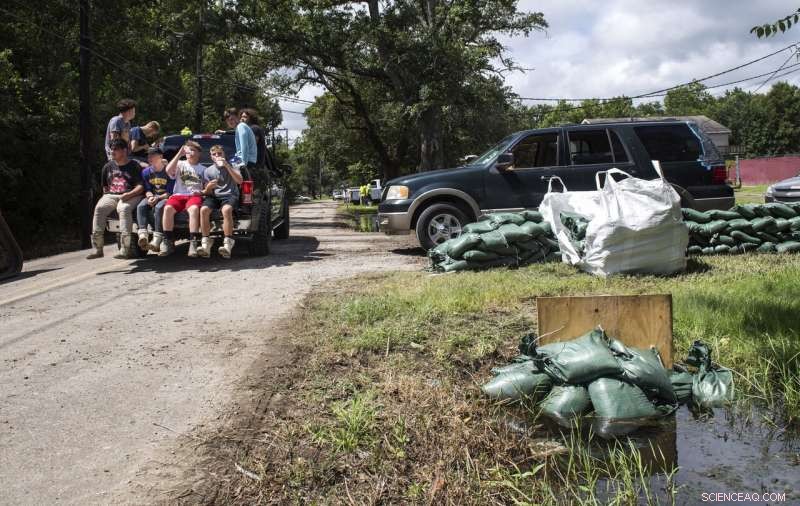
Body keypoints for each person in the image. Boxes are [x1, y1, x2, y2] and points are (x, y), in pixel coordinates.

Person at [87, 138, 143, 259]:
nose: (112, 152)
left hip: (131, 194)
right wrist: (107, 200)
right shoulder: (107, 167)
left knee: (123, 209)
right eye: (111, 149)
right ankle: (98, 249)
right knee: (99, 208)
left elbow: (140, 186)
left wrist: (129, 194)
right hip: (111, 195)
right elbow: (105, 188)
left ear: (124, 151)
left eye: (115, 150)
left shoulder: (134, 165)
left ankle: (125, 249)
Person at [160, 140, 206, 257]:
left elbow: (206, 187)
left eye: (193, 150)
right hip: (179, 195)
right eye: (188, 150)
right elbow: (168, 170)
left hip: (193, 196)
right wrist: (179, 154)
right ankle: (168, 241)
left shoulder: (203, 169)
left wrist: (200, 192)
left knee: (194, 209)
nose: (189, 152)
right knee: (168, 208)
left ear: (199, 153)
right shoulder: (180, 163)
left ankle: (193, 243)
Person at [198, 145, 243, 258]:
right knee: (203, 210)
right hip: (214, 196)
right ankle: (206, 242)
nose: (217, 156)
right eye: (214, 154)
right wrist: (208, 187)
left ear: (224, 154)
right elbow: (206, 192)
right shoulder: (208, 171)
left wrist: (227, 165)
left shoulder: (233, 165)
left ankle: (228, 243)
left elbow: (240, 181)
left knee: (226, 210)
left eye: (219, 153)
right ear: (211, 157)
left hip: (230, 195)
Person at [136, 147, 174, 252]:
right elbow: (147, 189)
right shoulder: (146, 172)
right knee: (141, 206)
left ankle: (157, 238)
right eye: (148, 156)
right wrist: (150, 196)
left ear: (161, 156)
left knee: (159, 207)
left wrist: (157, 198)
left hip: (165, 197)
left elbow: (170, 192)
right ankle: (143, 234)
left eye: (152, 155)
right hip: (153, 196)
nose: (149, 158)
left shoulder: (168, 171)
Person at [222, 108, 257, 172]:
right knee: (225, 166)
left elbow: (244, 147)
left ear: (238, 118)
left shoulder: (241, 126)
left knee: (225, 170)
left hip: (247, 161)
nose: (230, 122)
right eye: (227, 120)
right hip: (243, 159)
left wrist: (243, 165)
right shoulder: (240, 128)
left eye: (232, 119)